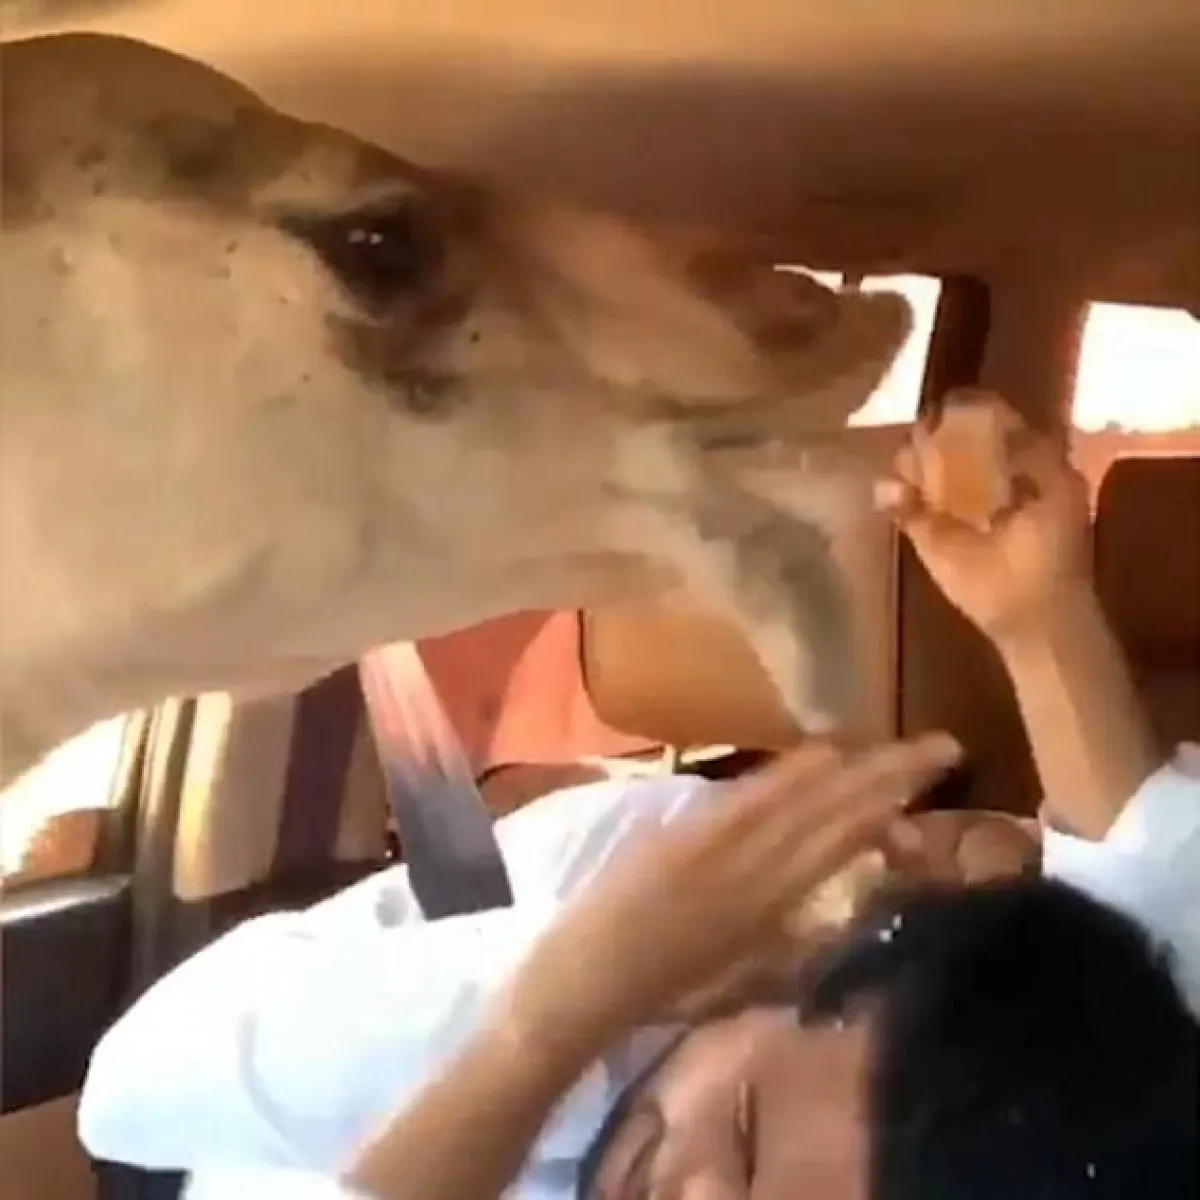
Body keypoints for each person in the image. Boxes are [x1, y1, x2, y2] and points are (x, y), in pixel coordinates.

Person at [78, 408, 1200, 1199]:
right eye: (744, 1129)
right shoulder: (644, 871)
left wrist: (555, 1024)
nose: (694, 1193)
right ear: (797, 975)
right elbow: (134, 1087)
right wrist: (1043, 622)